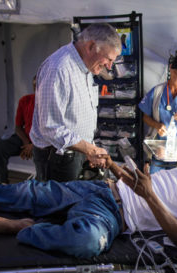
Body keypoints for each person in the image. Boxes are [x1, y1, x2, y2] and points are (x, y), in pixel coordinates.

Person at [0, 152, 177, 258]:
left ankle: (25, 228)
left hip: (112, 215)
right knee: (24, 193)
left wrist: (149, 195)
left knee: (87, 241)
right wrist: (113, 166)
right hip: (99, 187)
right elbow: (137, 181)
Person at [30, 23, 122, 182]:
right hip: (57, 158)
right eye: (108, 59)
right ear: (91, 46)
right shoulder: (58, 68)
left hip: (75, 152)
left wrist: (88, 148)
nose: (109, 66)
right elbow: (50, 127)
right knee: (59, 205)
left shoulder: (85, 65)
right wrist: (91, 150)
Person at [138, 51, 177, 174]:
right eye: (176, 71)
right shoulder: (156, 92)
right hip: (159, 151)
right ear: (170, 68)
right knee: (155, 185)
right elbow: (145, 117)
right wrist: (157, 126)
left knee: (176, 187)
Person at [0, 76, 36, 184]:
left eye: (39, 85)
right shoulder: (25, 101)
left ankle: (41, 183)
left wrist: (33, 145)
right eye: (34, 85)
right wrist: (26, 143)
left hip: (43, 142)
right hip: (25, 138)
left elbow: (50, 131)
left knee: (45, 151)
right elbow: (18, 127)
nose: (36, 87)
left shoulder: (50, 103)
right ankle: (1, 183)